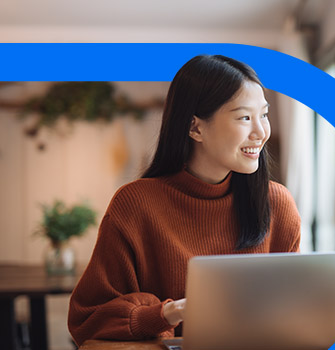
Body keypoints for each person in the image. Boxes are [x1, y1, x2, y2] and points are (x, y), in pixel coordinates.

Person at [67, 54, 301, 346]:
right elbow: (86, 320)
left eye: (263, 115)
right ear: (195, 128)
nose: (261, 132)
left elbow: (291, 310)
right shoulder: (135, 204)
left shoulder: (277, 203)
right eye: (244, 117)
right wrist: (166, 313)